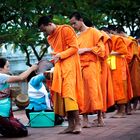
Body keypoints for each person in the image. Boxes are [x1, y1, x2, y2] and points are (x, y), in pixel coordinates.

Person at [38, 15, 84, 134]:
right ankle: (70, 125)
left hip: (70, 65)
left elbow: (74, 48)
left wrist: (60, 55)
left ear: (49, 24)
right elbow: (56, 53)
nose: (45, 33)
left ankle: (78, 124)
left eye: (44, 30)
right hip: (59, 66)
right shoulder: (49, 38)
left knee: (69, 94)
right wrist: (54, 59)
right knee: (62, 96)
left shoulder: (66, 29)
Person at [70, 12, 105, 127]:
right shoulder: (77, 36)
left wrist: (86, 49)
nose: (73, 26)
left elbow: (101, 50)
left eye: (74, 23)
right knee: (82, 93)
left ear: (81, 20)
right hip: (80, 66)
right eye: (72, 24)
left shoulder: (94, 32)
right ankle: (85, 119)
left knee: (94, 91)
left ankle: (100, 117)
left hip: (91, 65)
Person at [0, 57, 38, 137]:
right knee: (22, 131)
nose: (8, 69)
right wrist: (31, 68)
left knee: (20, 129)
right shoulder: (1, 76)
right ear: (0, 68)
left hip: (5, 113)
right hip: (1, 114)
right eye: (7, 66)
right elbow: (21, 78)